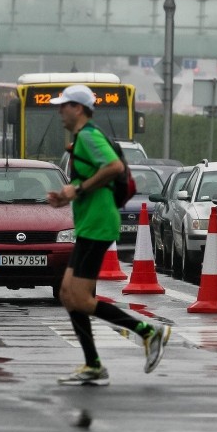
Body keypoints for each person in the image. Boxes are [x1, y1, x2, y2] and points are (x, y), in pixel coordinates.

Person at [47, 85, 171, 386]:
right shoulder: (81, 139)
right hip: (89, 222)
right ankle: (92, 364)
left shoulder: (89, 136)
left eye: (64, 105)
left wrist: (76, 189)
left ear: (78, 108)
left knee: (79, 298)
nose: (59, 110)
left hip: (99, 224)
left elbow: (114, 166)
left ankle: (147, 331)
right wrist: (68, 196)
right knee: (67, 294)